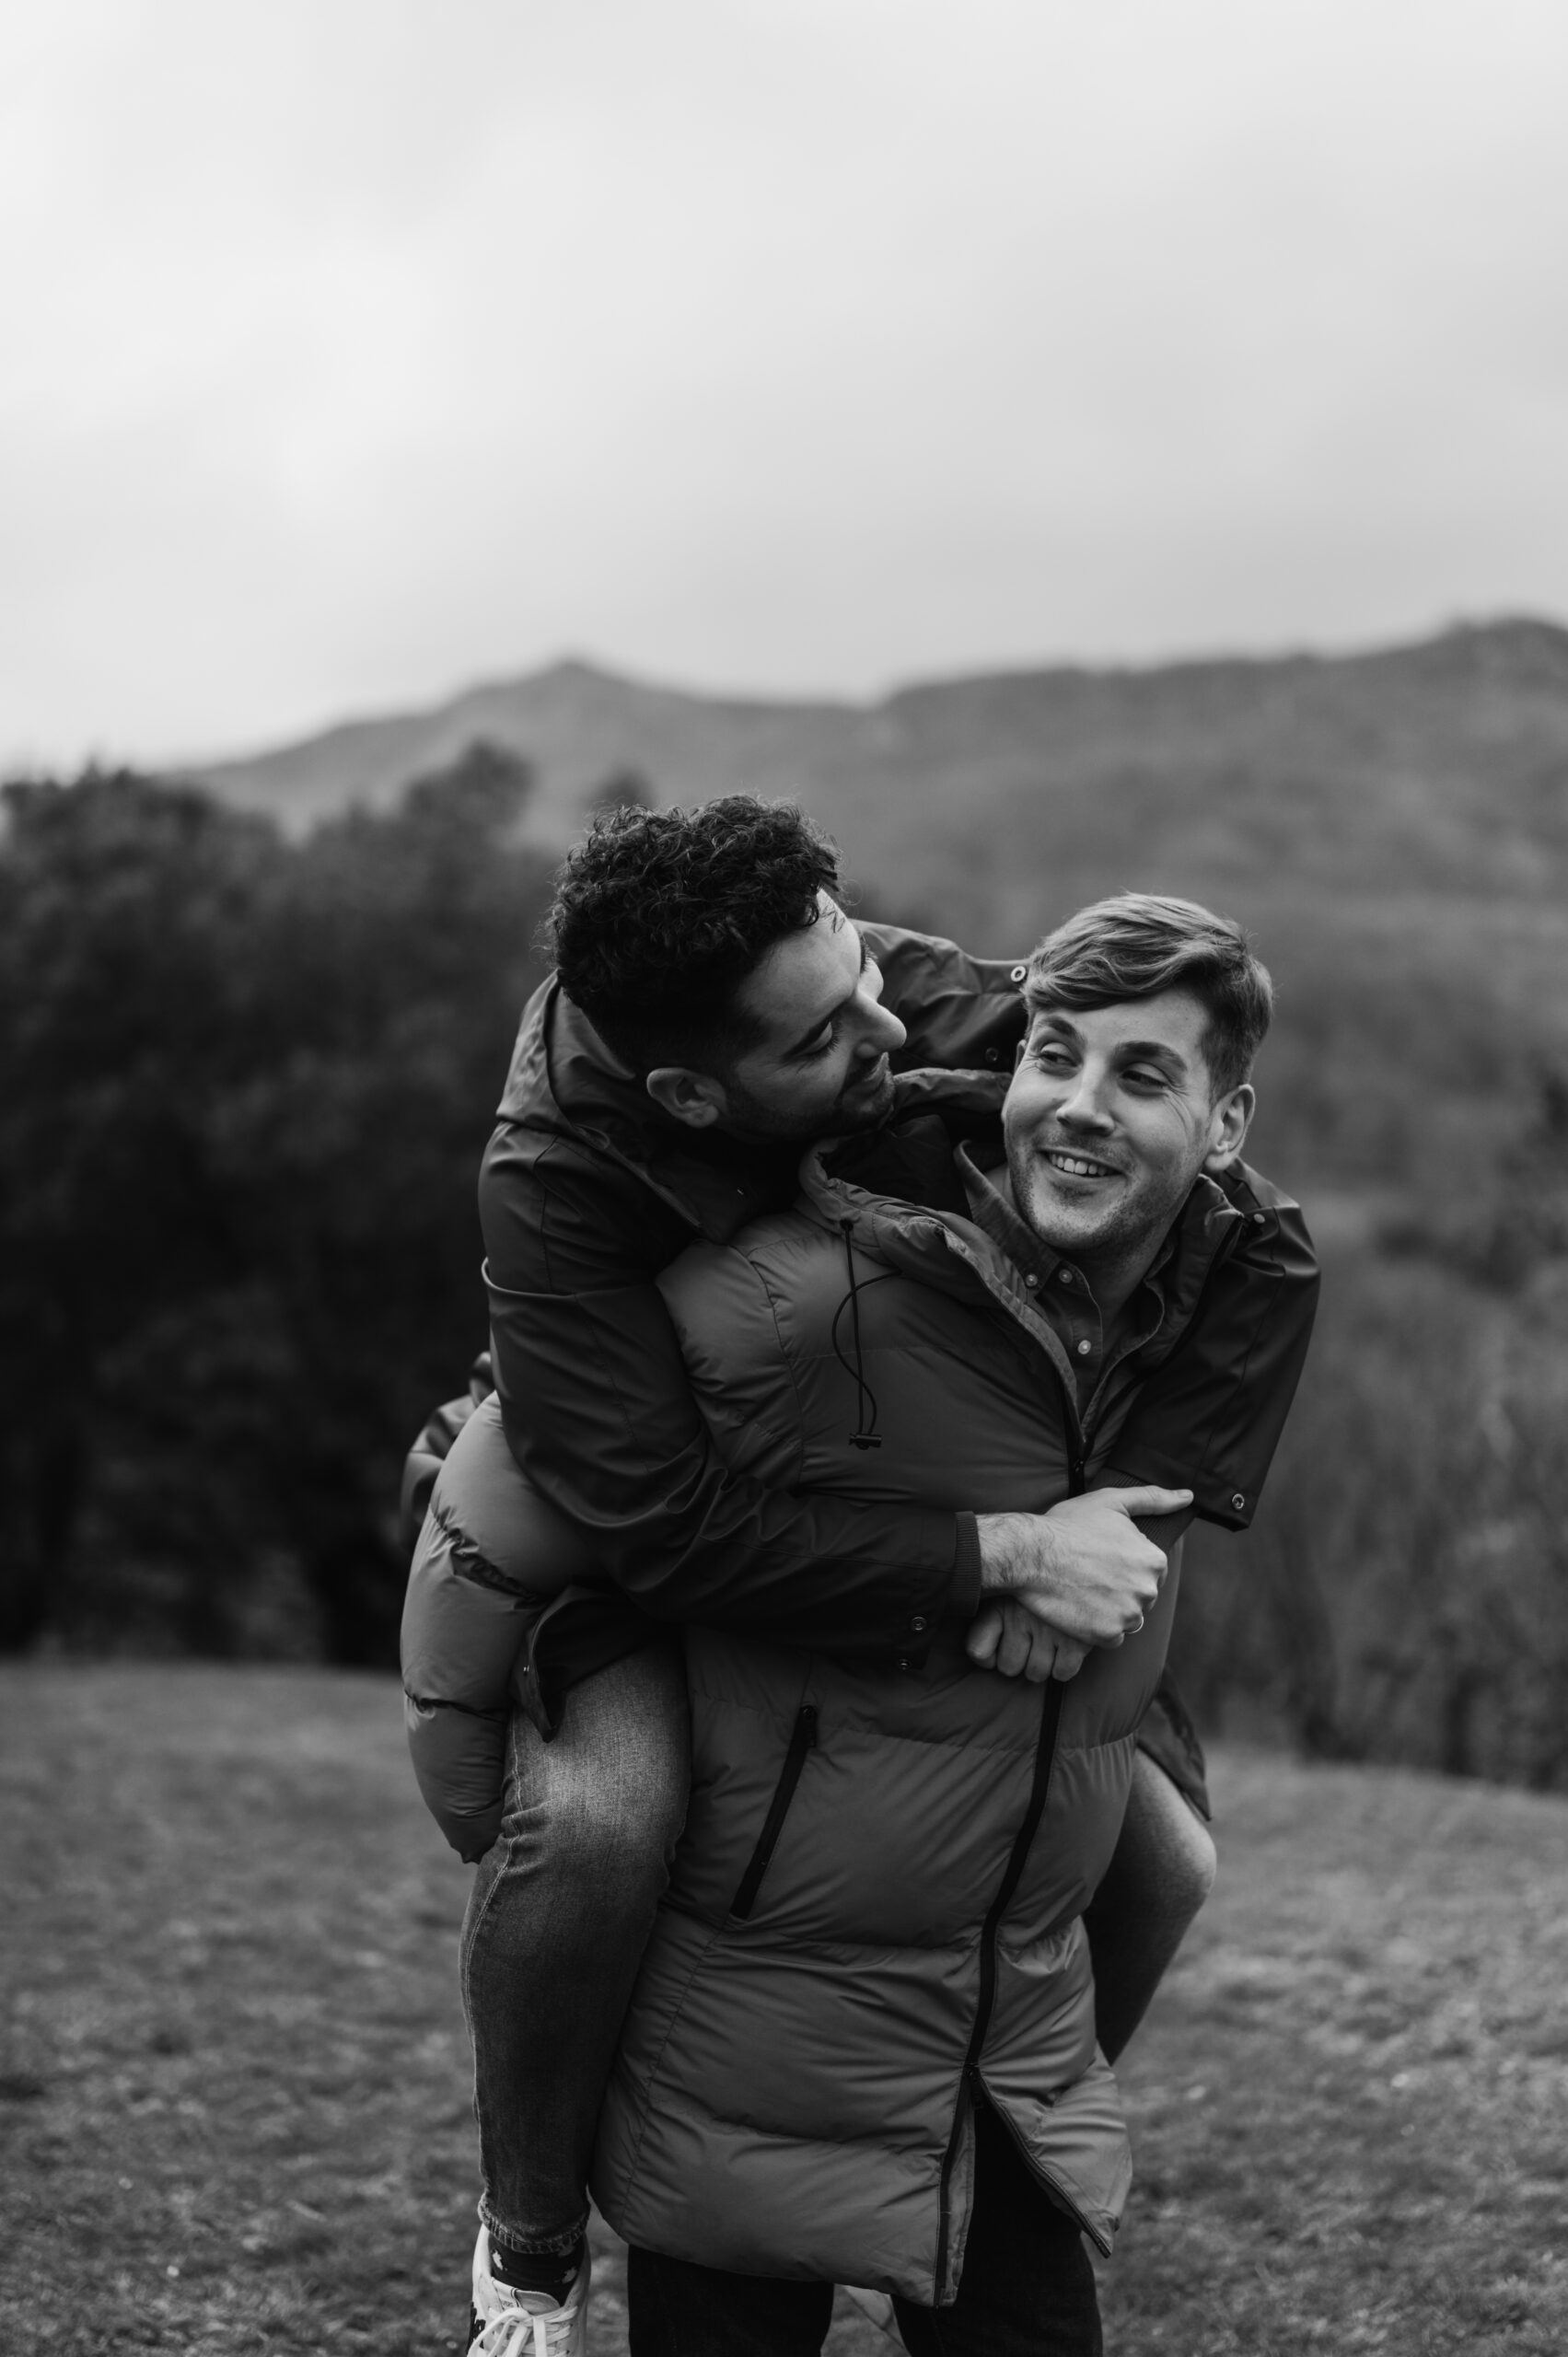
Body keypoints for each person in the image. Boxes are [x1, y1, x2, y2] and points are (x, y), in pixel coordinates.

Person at [398, 803, 1318, 2352]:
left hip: (843, 1476)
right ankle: (531, 2233)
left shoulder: (871, 989)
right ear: (694, 1095)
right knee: (606, 1824)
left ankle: (972, 2126)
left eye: (865, 971)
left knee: (1161, 1858)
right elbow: (663, 1525)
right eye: (829, 1034)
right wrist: (1002, 1555)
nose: (886, 1027)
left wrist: (1128, 1516)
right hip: (612, 1523)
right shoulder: (557, 1180)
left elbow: (1243, 1218)